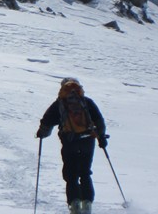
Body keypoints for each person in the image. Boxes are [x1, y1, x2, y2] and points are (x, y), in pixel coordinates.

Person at [36, 78, 107, 214]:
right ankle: (87, 205)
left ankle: (74, 206)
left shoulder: (59, 104)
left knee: (71, 175)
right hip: (87, 140)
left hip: (69, 142)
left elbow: (47, 122)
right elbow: (99, 120)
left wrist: (41, 133)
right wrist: (101, 137)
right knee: (85, 173)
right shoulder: (87, 102)